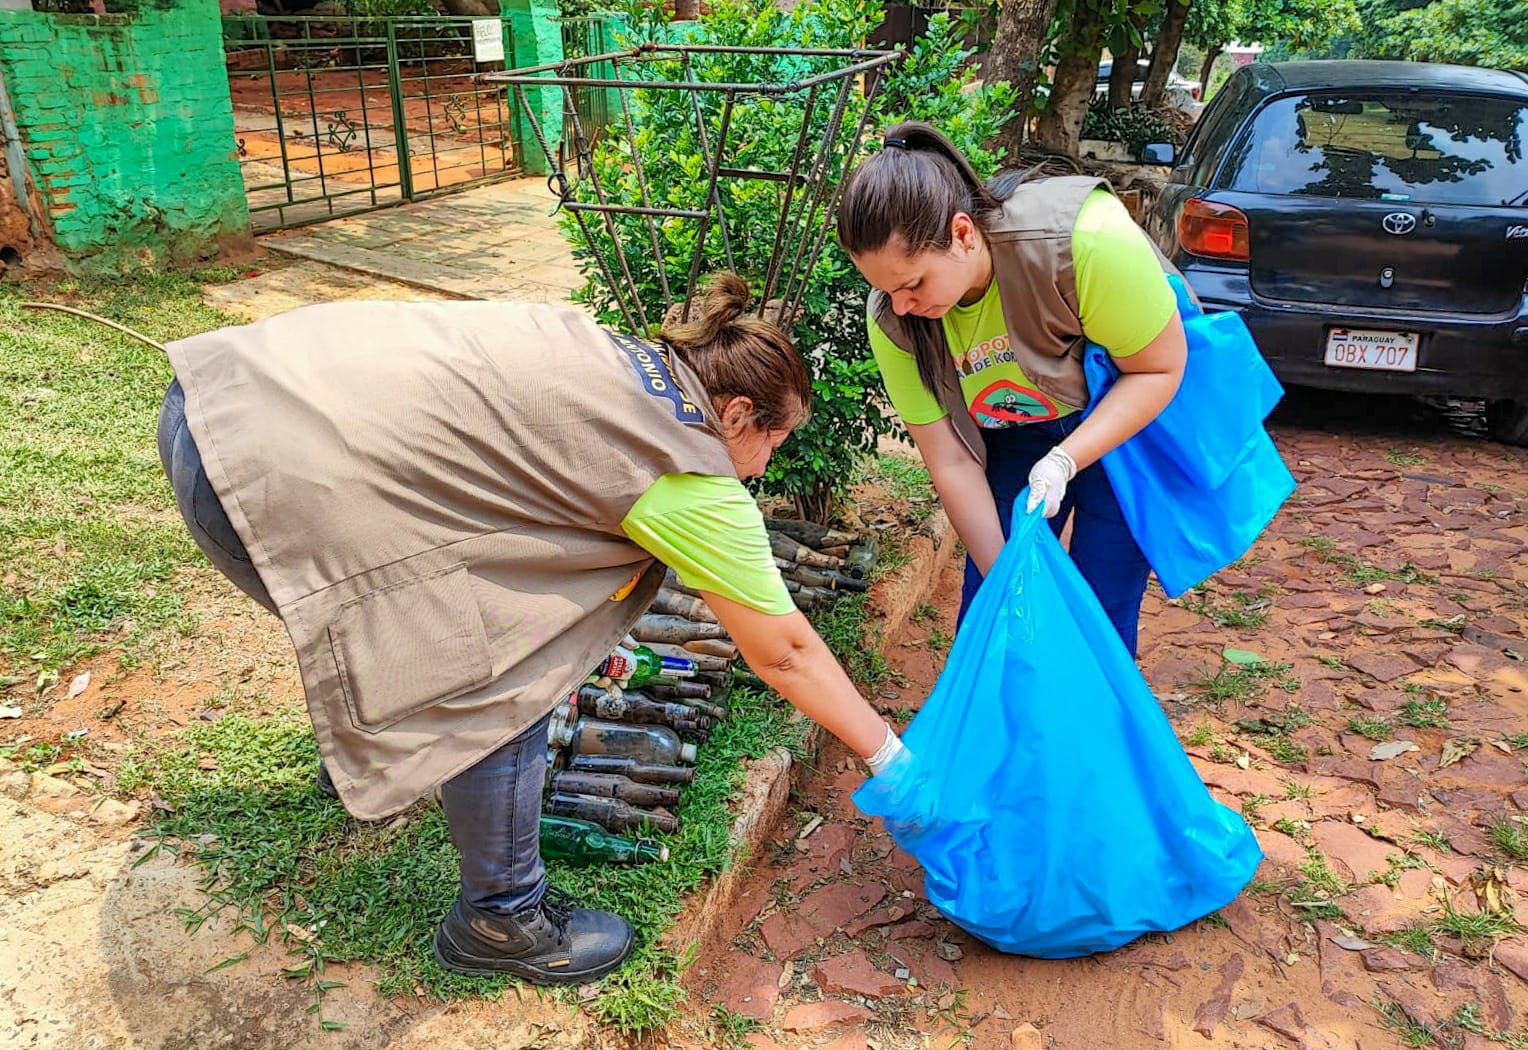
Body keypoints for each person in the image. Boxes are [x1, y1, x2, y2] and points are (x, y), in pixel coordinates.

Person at [156, 273, 908, 987]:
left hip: (227, 398)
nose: (766, 467)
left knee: (428, 609)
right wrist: (889, 755)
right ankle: (502, 917)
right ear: (738, 412)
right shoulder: (687, 470)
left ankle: (376, 754)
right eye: (772, 443)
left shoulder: (628, 362)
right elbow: (786, 651)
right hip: (259, 483)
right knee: (507, 673)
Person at [836, 122, 1189, 657]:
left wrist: (1066, 460)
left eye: (913, 284)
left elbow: (1157, 370)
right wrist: (1009, 585)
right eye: (885, 289)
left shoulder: (1082, 240)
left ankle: (1087, 737)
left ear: (962, 233)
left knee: (1103, 604)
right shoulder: (893, 316)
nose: (902, 305)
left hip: (1125, 420)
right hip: (1019, 427)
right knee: (993, 607)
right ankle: (999, 739)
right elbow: (950, 461)